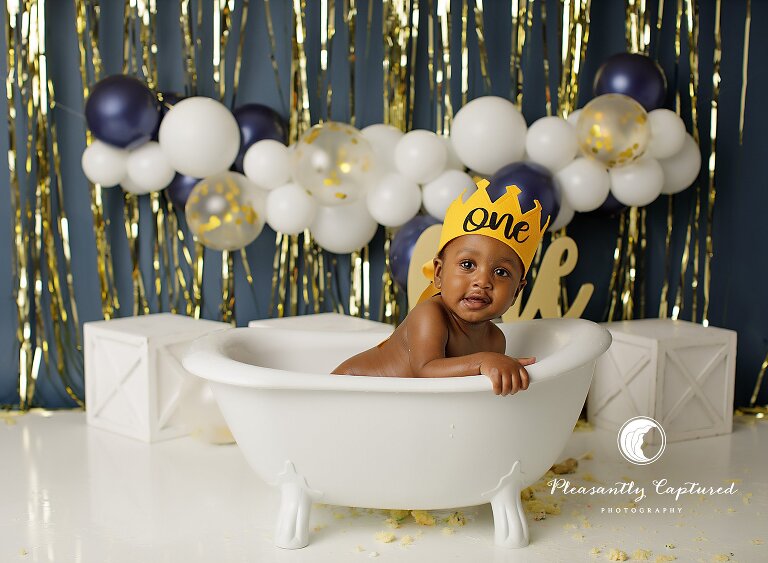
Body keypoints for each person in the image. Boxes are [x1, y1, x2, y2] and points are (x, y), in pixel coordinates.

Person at [332, 179, 549, 396]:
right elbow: (425, 371)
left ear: (516, 292)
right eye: (468, 265)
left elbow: (464, 391)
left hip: (396, 408)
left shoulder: (495, 339)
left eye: (501, 272)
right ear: (438, 273)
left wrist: (500, 370)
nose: (482, 281)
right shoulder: (430, 315)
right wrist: (485, 361)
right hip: (347, 390)